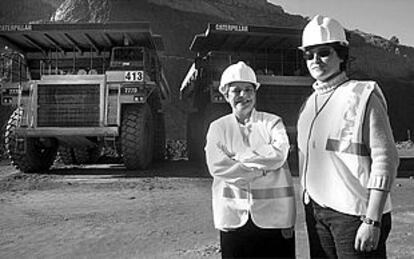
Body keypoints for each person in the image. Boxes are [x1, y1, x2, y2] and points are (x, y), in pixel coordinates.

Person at [296, 15, 399, 258]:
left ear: (341, 54)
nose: (315, 60)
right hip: (318, 212)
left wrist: (372, 220)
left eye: (324, 52)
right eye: (309, 54)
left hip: (355, 216)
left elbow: (386, 159)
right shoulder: (309, 104)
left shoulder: (362, 95)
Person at [205, 61, 296, 258]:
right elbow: (217, 166)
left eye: (248, 90)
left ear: (255, 93)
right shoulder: (218, 128)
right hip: (233, 219)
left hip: (275, 218)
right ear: (225, 94)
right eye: (236, 90)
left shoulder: (272, 122)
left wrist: (237, 157)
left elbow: (279, 154)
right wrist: (262, 167)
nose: (243, 96)